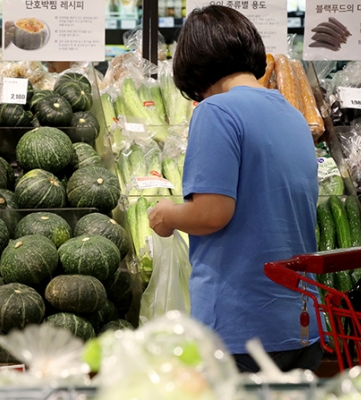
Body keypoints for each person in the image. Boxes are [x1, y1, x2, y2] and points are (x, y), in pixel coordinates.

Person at [148, 5, 323, 373]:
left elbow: (212, 213)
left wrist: (167, 215)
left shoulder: (217, 112)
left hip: (242, 327)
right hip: (301, 324)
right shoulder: (292, 115)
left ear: (194, 68)